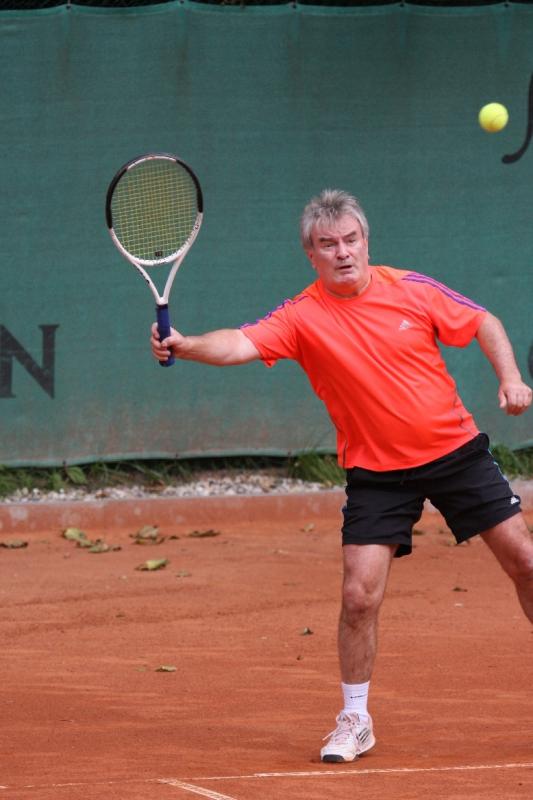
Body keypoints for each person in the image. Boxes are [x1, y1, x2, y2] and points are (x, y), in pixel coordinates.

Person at [150, 189, 533, 763]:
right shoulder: (301, 316)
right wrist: (186, 345)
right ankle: (355, 719)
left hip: (456, 453)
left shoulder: (411, 288)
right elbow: (238, 344)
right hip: (377, 471)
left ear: (366, 242)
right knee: (358, 596)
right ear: (311, 255)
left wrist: (510, 378)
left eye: (351, 240)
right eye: (328, 244)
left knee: (525, 561)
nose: (343, 252)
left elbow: (484, 321)